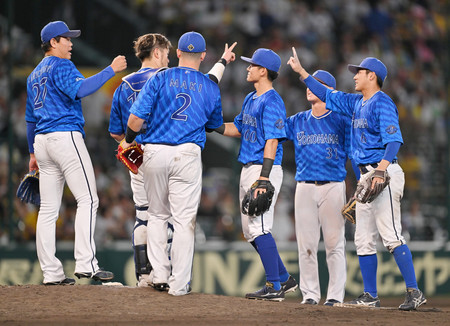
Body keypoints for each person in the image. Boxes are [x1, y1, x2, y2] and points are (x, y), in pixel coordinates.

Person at [288, 49, 426, 311]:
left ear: (371, 76)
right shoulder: (356, 103)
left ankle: (414, 291)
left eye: (358, 72)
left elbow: (394, 139)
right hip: (366, 176)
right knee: (362, 239)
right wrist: (302, 73)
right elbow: (328, 94)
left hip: (382, 173)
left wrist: (380, 171)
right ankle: (370, 294)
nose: (354, 76)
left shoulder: (382, 102)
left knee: (391, 235)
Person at [108, 33, 236, 287]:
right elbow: (213, 117)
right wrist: (222, 61)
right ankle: (179, 284)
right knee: (182, 221)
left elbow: (129, 124)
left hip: (150, 153)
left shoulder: (156, 78)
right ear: (202, 56)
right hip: (186, 154)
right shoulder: (208, 85)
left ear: (178, 53)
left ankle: (155, 276)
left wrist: (128, 141)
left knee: (152, 216)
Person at [25, 21, 127, 285]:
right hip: (65, 136)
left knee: (47, 209)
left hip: (42, 142)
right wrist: (110, 70)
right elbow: (81, 90)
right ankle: (86, 264)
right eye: (66, 39)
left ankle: (51, 273)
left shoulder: (33, 75)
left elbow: (29, 119)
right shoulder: (61, 65)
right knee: (89, 200)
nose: (71, 43)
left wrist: (31, 152)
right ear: (53, 42)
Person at [211, 48, 298, 301]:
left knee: (260, 228)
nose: (247, 68)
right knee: (250, 231)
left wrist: (264, 177)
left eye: (252, 65)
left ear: (263, 71)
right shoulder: (251, 98)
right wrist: (213, 125)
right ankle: (283, 278)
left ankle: (273, 286)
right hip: (248, 167)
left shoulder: (272, 100)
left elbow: (273, 140)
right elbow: (236, 128)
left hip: (263, 168)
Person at [285, 70, 354, 306]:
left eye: (317, 83)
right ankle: (310, 294)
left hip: (333, 185)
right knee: (306, 246)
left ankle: (335, 296)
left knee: (335, 244)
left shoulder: (342, 120)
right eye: (309, 82)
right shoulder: (297, 120)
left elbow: (354, 153)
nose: (309, 86)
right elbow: (273, 134)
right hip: (304, 185)